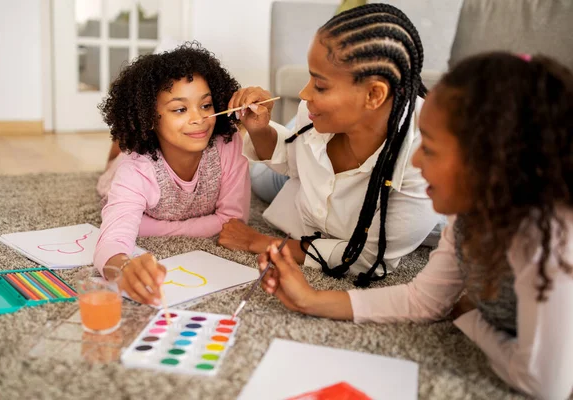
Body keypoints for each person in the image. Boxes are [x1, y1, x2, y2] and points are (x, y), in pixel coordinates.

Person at [257, 52, 573, 399]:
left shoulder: (550, 236)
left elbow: (543, 384)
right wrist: (311, 300)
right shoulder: (469, 212)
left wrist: (471, 319)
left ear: (489, 163)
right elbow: (426, 300)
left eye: (432, 150)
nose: (417, 162)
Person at [219, 3, 440, 287]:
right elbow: (291, 157)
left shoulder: (425, 160)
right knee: (261, 179)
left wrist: (261, 242)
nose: (303, 93)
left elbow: (368, 257)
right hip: (307, 181)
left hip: (345, 196)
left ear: (374, 94)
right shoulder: (311, 113)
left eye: (320, 85)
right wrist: (259, 131)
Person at [94, 42, 250, 305]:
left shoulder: (228, 143)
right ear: (149, 117)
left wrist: (150, 227)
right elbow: (112, 238)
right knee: (116, 163)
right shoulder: (136, 169)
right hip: (128, 167)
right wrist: (121, 267)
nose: (198, 119)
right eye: (180, 109)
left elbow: (234, 222)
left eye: (206, 105)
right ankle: (118, 147)